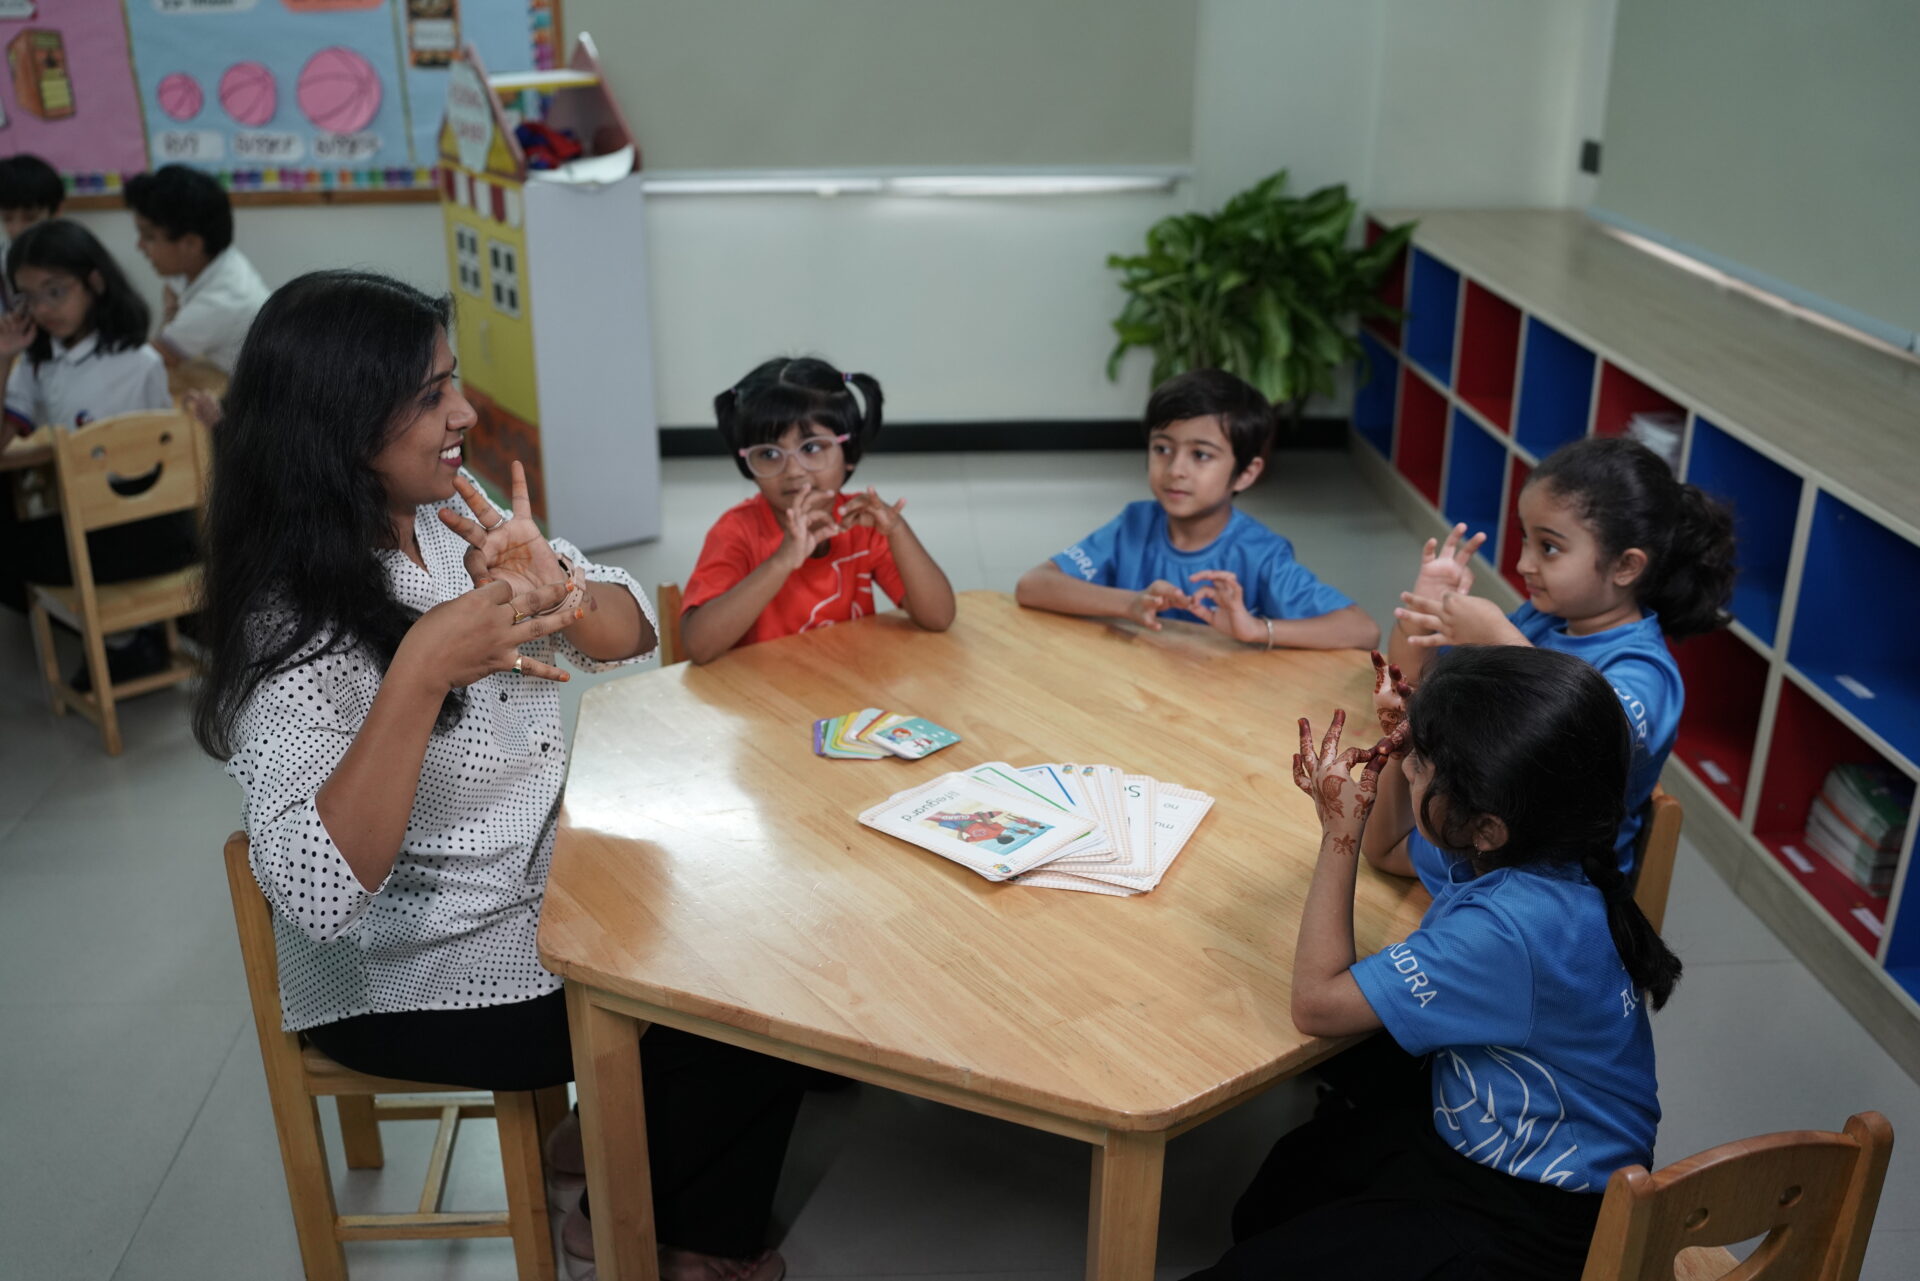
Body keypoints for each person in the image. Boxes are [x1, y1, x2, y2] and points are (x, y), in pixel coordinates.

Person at [192, 270, 797, 1281]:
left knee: (756, 901)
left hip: (538, 888)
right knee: (744, 990)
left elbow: (633, 635)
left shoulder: (445, 522)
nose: (466, 413)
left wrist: (556, 583)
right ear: (340, 425)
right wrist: (422, 668)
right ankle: (650, 1232)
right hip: (421, 978)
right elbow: (316, 895)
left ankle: (611, 1143)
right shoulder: (288, 619)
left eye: (452, 383)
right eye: (432, 396)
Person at [1186, 645, 1682, 1280]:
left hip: (1529, 1219)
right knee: (1276, 1199)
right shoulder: (1540, 851)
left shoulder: (1506, 928)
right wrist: (1403, 740)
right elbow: (1393, 849)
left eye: (1420, 761)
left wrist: (1338, 832)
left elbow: (1317, 1003)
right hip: (1489, 1140)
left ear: (1487, 826)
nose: (1407, 764)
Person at [1385, 436, 1736, 875]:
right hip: (1471, 843)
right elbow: (1411, 683)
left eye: (1548, 547)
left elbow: (1583, 739)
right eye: (1525, 539)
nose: (1525, 563)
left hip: (1548, 884)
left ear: (1626, 566)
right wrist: (1423, 615)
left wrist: (1498, 636)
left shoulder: (1644, 671)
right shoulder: (1540, 620)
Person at [1015, 369, 1378, 649]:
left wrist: (1256, 629)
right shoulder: (1133, 524)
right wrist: (1131, 604)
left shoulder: (1260, 552)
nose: (1175, 470)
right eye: (1162, 449)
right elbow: (1033, 585)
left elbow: (1362, 629)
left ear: (1245, 473)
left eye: (1201, 455)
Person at [0, 220, 190, 685]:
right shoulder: (38, 364)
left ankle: (123, 640)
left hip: (145, 534)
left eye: (55, 292)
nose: (42, 310)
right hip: (128, 533)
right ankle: (126, 637)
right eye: (29, 298)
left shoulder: (139, 361)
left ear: (95, 283)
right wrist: (5, 357)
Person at [680, 356, 955, 664]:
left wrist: (898, 532)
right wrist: (781, 562)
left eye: (811, 447)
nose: (794, 470)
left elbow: (939, 617)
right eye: (769, 453)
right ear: (748, 463)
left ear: (849, 453)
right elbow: (698, 646)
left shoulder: (862, 524)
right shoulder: (736, 532)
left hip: (846, 692)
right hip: (760, 700)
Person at [124, 164, 269, 375]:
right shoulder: (214, 260)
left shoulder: (220, 302)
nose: (140, 247)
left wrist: (169, 316)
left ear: (191, 244)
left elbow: (153, 360)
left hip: (247, 394)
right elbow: (171, 289)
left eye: (149, 237)